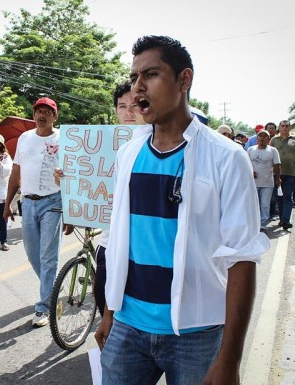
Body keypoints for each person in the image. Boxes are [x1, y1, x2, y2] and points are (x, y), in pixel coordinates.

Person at [95, 36, 269, 384]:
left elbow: (242, 259)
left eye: (151, 74)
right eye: (134, 77)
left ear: (184, 80)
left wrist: (229, 361)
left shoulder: (226, 157)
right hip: (127, 327)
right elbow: (118, 242)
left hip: (197, 333)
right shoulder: (129, 154)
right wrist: (109, 313)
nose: (138, 86)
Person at [4, 97, 73, 328]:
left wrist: (71, 211)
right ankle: (52, 288)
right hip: (28, 202)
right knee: (32, 254)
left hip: (54, 201)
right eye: (37, 111)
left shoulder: (65, 138)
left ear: (55, 115)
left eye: (47, 111)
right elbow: (16, 172)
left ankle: (44, 306)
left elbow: (76, 172)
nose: (41, 115)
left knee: (47, 255)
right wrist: (7, 203)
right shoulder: (25, 138)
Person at [93, 81, 145, 317]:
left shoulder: (160, 143)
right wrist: (67, 179)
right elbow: (88, 186)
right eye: (122, 106)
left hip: (141, 247)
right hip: (108, 241)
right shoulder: (101, 144)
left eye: (134, 104)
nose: (129, 111)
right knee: (104, 303)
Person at [270, 120, 295, 230]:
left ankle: (285, 220)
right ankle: (282, 219)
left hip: (290, 173)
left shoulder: (294, 139)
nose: (284, 128)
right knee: (279, 197)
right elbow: (269, 155)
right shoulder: (274, 140)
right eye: (282, 126)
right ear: (279, 127)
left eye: (286, 126)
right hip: (277, 174)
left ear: (290, 128)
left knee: (287, 197)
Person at [247, 130, 281, 232]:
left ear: (268, 139)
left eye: (264, 136)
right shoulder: (250, 149)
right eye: (260, 136)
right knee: (254, 204)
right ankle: (254, 224)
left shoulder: (273, 150)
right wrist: (251, 171)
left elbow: (277, 165)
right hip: (253, 183)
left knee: (265, 204)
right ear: (257, 139)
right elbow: (246, 163)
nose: (262, 138)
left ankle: (262, 224)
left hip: (267, 182)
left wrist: (277, 178)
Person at [265, 122, 280, 218]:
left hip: (276, 171)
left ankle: (272, 212)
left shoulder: (277, 140)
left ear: (275, 130)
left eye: (272, 128)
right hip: (263, 174)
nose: (270, 130)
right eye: (268, 128)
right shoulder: (255, 140)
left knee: (274, 195)